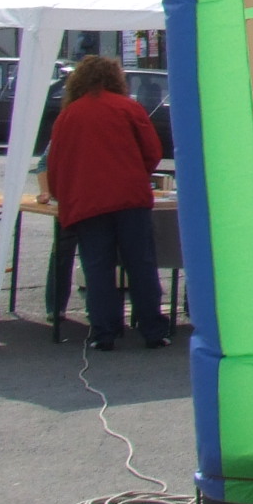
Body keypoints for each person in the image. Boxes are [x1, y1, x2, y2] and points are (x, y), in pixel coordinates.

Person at [44, 55, 169, 350]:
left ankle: (104, 333)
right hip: (129, 197)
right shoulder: (128, 108)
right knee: (140, 264)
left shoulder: (69, 115)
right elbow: (152, 151)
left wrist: (63, 195)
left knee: (98, 268)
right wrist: (136, 173)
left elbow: (56, 162)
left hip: (88, 202)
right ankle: (152, 330)